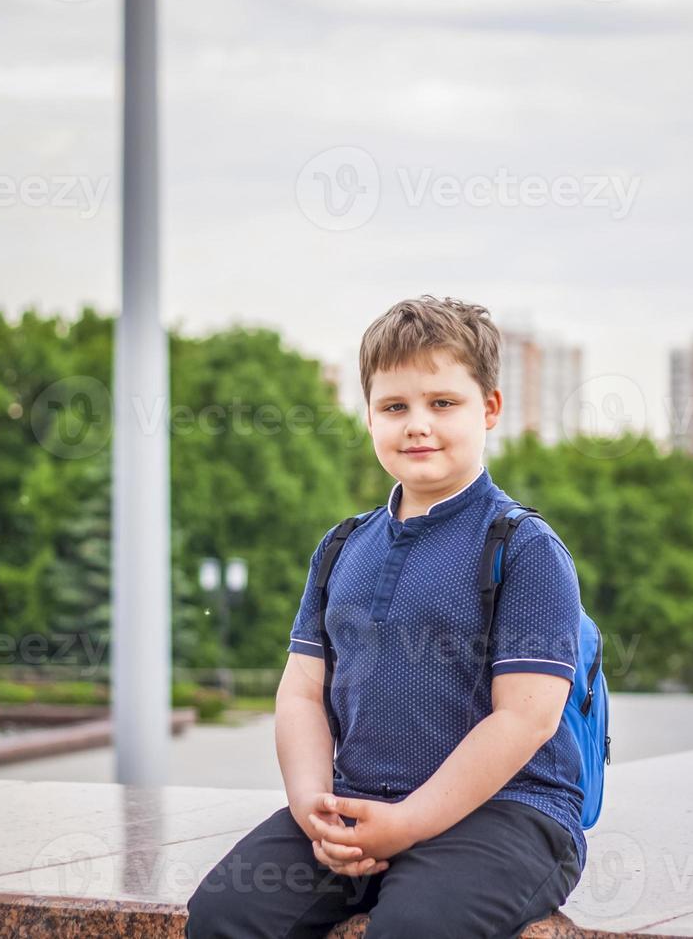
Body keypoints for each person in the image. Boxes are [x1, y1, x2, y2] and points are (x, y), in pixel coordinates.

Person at [187, 296, 586, 938]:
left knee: (414, 928)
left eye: (443, 403)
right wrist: (314, 807)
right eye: (394, 407)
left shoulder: (524, 546)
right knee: (224, 914)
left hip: (509, 813)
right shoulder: (342, 546)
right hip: (359, 800)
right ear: (369, 415)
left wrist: (408, 824)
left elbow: (526, 717)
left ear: (489, 409)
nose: (417, 425)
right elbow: (301, 692)